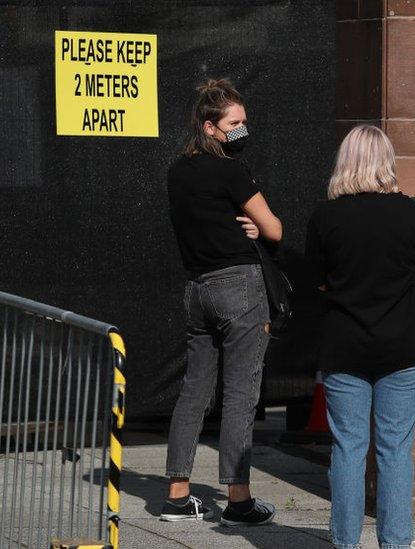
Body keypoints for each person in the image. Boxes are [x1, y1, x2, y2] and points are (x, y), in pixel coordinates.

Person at [162, 78, 283, 526]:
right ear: (210, 127)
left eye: (244, 122)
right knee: (240, 395)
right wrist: (253, 230)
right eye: (234, 123)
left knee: (194, 390)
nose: (242, 129)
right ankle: (238, 500)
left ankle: (177, 495)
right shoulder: (232, 170)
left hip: (197, 289)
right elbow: (273, 229)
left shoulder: (178, 170)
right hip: (239, 288)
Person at [305, 124, 415, 549]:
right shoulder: (412, 211)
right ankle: (395, 543)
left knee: (348, 448)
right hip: (402, 345)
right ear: (387, 161)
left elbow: (316, 280)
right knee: (395, 449)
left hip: (345, 345)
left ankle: (345, 542)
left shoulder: (325, 217)